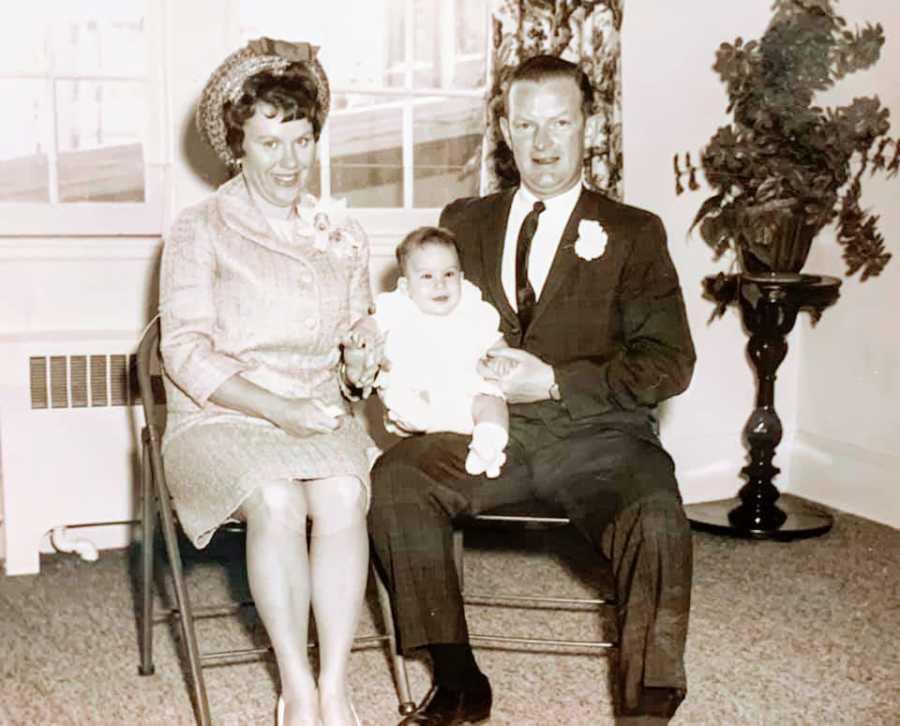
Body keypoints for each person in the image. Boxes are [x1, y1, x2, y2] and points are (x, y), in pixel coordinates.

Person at [368, 54, 696, 726]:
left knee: (657, 517)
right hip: (483, 432)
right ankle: (459, 682)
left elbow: (669, 364)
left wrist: (552, 382)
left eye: (560, 123)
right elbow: (429, 323)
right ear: (505, 131)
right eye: (526, 125)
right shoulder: (463, 221)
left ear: (589, 127)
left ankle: (648, 706)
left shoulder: (634, 233)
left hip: (599, 437)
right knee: (396, 480)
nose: (543, 144)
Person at [159, 37, 372, 726]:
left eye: (302, 141)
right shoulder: (199, 228)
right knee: (277, 501)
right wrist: (278, 409)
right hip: (220, 416)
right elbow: (186, 353)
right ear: (237, 145)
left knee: (342, 490)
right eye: (270, 143)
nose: (289, 162)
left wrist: (363, 365)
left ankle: (336, 686)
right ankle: (297, 689)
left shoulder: (341, 230)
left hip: (316, 412)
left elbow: (355, 349)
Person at [350, 226, 512, 477]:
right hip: (420, 390)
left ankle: (488, 444)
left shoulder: (472, 309)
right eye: (426, 276)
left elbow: (495, 341)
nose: (440, 284)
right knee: (399, 391)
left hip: (464, 394)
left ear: (461, 276)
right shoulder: (399, 306)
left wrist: (502, 359)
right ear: (405, 286)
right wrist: (363, 332)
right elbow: (370, 323)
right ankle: (414, 414)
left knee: (491, 400)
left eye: (449, 274)